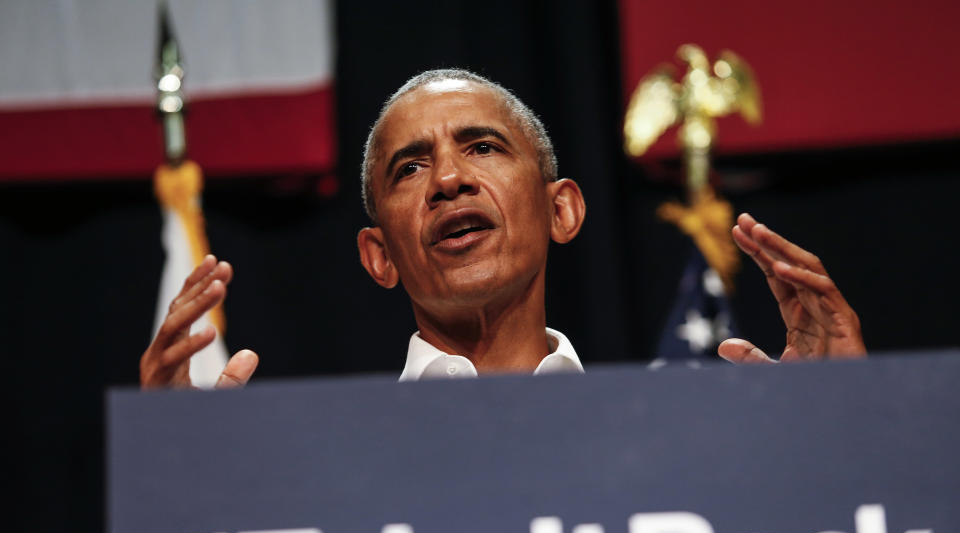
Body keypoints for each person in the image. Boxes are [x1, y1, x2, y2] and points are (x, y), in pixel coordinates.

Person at [139, 69, 865, 388]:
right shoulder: (322, 467)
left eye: (482, 147)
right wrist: (187, 484)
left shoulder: (669, 442)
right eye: (410, 168)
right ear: (378, 255)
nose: (449, 179)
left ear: (563, 210)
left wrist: (834, 440)